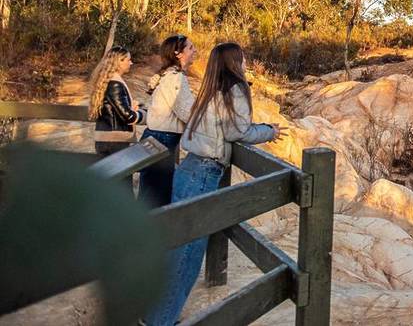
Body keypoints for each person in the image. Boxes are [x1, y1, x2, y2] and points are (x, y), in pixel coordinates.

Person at [146, 42, 286, 326]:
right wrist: (268, 131)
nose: (246, 63)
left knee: (177, 245)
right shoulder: (236, 88)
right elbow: (238, 131)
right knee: (187, 253)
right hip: (205, 172)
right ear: (236, 62)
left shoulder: (210, 87)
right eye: (243, 59)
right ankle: (159, 321)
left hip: (188, 167)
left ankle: (151, 312)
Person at [138, 34, 197, 207]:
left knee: (150, 192)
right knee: (157, 197)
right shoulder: (176, 78)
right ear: (178, 53)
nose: (195, 51)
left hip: (156, 137)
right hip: (163, 140)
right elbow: (187, 113)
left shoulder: (168, 75)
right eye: (191, 48)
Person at [89, 46, 146, 156]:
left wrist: (130, 105)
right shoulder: (115, 84)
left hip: (106, 139)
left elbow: (115, 109)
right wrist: (145, 115)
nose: (131, 63)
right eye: (128, 60)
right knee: (122, 172)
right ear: (119, 61)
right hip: (115, 141)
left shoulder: (107, 81)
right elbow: (128, 116)